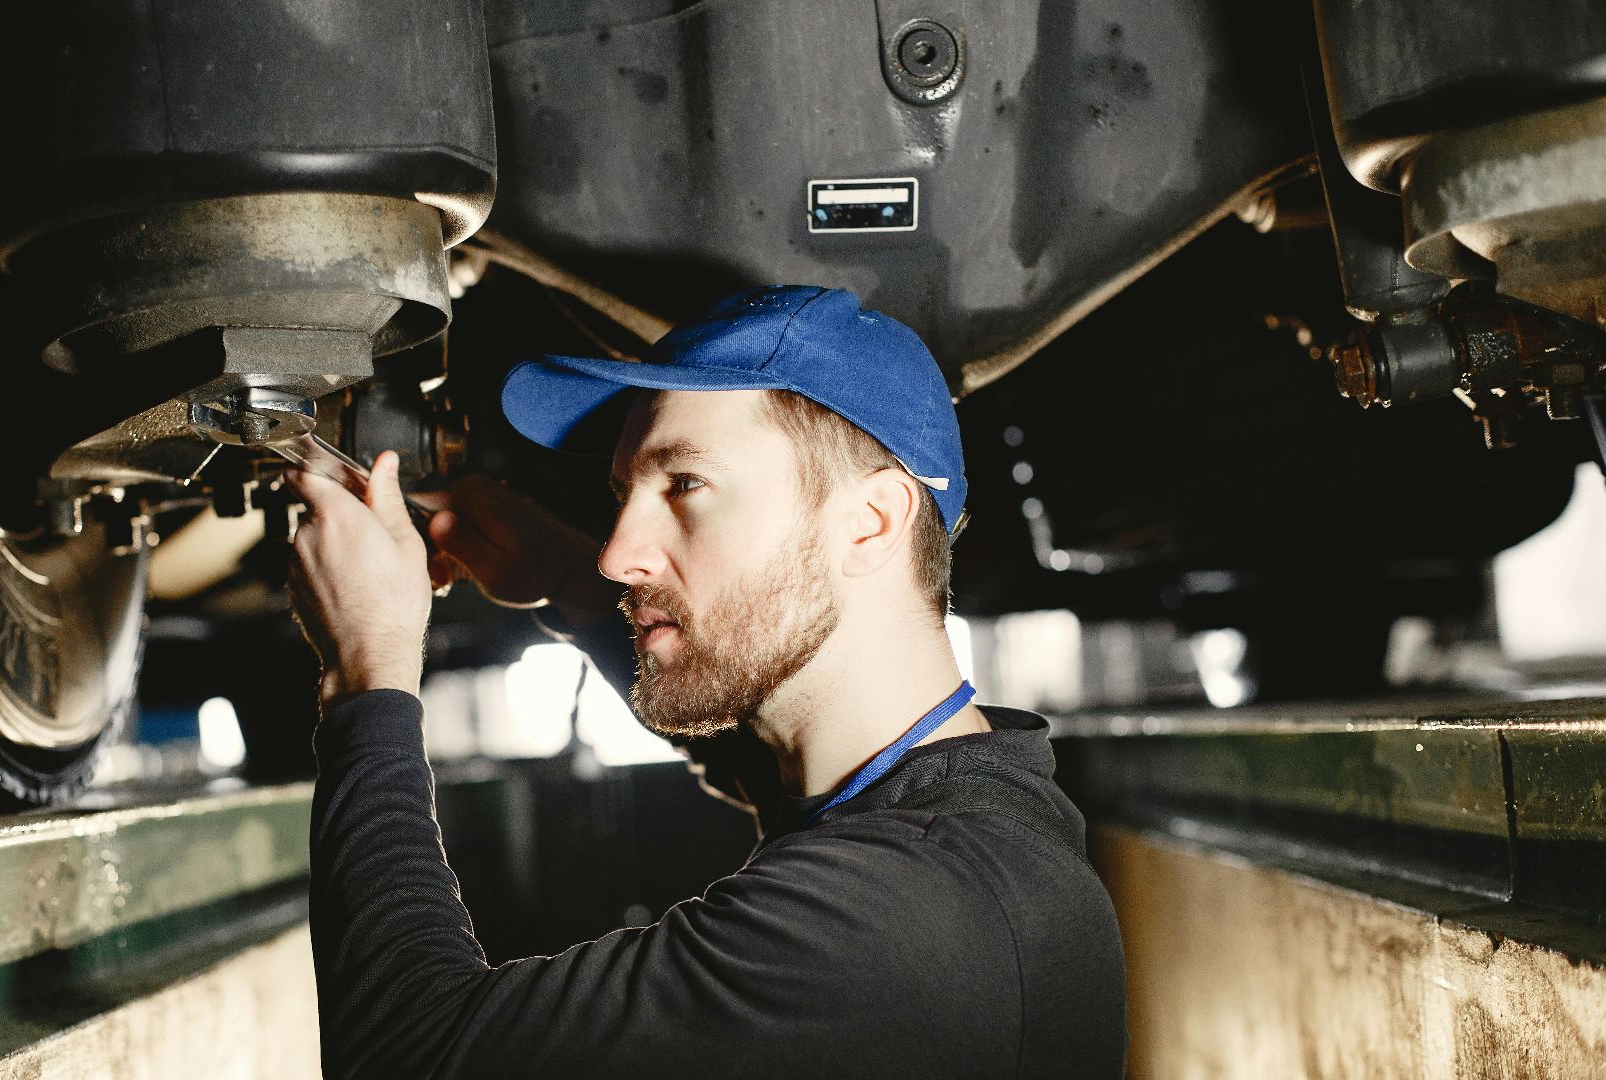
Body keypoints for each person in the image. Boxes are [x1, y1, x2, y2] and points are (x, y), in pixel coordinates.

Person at [286, 286, 1127, 1079]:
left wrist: (368, 671)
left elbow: (404, 1053)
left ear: (869, 524)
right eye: (624, 493)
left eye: (685, 484)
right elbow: (755, 762)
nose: (619, 552)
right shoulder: (970, 810)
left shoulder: (906, 919)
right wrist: (562, 577)